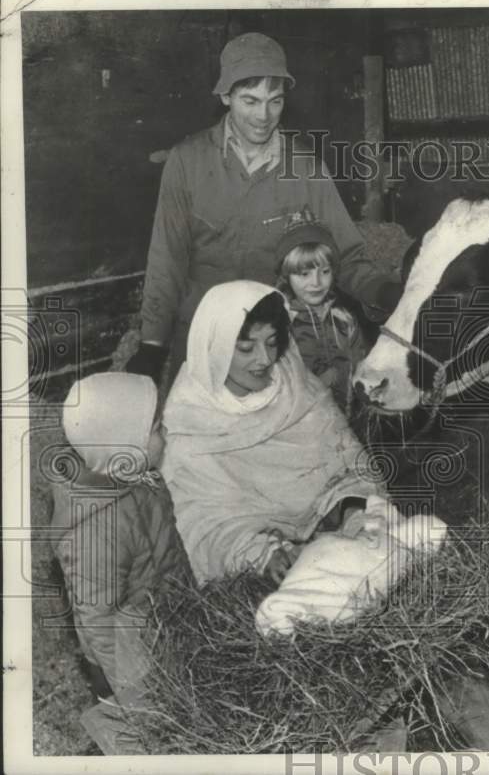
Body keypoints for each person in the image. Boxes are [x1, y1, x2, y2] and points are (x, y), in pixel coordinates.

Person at [127, 32, 401, 387]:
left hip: (275, 345)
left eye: (275, 101)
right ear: (226, 97)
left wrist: (385, 293)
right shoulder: (187, 161)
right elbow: (167, 261)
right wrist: (151, 346)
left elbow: (344, 253)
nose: (264, 115)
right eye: (250, 101)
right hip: (203, 338)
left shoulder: (303, 165)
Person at [160, 280, 383, 585]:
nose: (264, 359)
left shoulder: (296, 384)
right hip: (265, 555)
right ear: (214, 347)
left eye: (272, 341)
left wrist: (355, 510)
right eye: (246, 348)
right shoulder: (190, 420)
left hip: (334, 531)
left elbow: (347, 460)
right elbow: (201, 522)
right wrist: (259, 554)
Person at [52, 372, 194, 751]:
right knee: (137, 733)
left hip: (158, 620)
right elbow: (97, 619)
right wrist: (131, 691)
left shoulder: (139, 479)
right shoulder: (95, 529)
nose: (166, 434)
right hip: (124, 654)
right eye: (157, 427)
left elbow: (167, 544)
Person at [255, 495, 447, 635]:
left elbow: (360, 498)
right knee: (327, 567)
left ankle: (288, 605)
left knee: (342, 583)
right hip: (335, 548)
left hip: (355, 552)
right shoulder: (395, 539)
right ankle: (289, 604)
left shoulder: (399, 550)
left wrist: (359, 519)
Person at [275, 210, 370, 411]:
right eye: (304, 274)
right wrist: (317, 381)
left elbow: (361, 363)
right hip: (302, 422)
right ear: (286, 276)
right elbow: (275, 382)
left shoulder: (345, 319)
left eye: (325, 272)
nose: (316, 283)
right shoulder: (281, 324)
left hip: (349, 416)